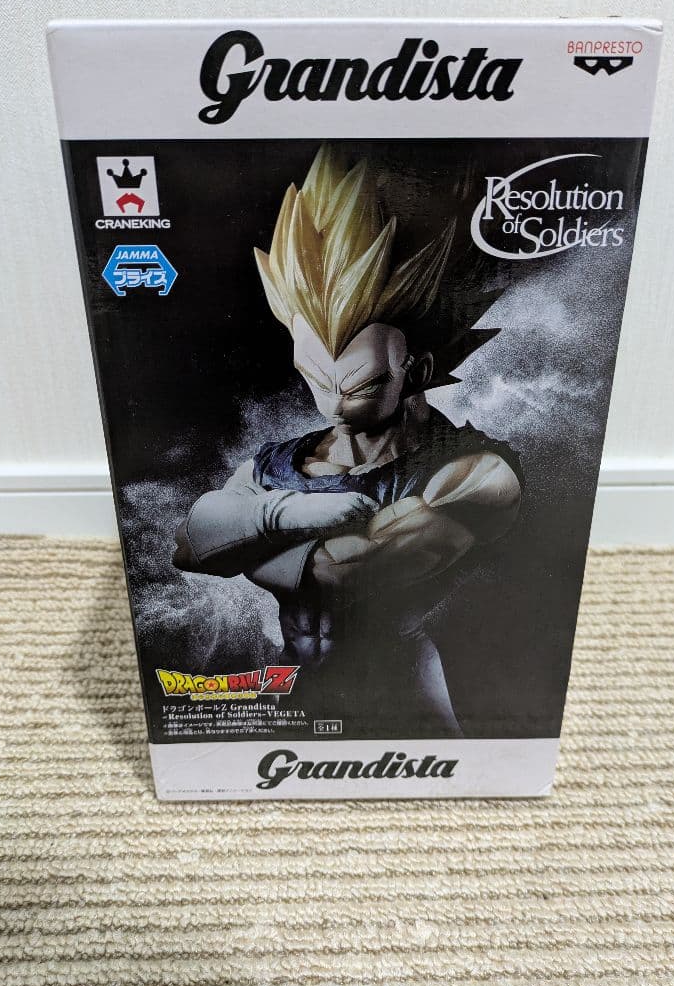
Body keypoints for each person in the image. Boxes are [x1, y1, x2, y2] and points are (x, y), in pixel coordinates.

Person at [173, 145, 523, 737]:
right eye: (314, 378)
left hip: (400, 694)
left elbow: (349, 572)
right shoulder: (283, 462)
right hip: (299, 682)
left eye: (358, 385)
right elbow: (187, 546)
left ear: (416, 370)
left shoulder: (473, 472)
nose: (331, 403)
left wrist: (248, 529)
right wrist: (282, 512)